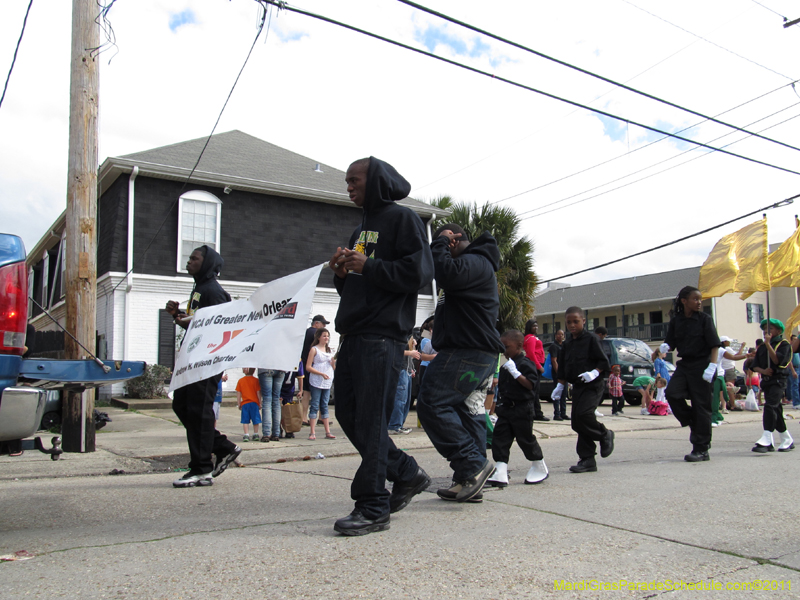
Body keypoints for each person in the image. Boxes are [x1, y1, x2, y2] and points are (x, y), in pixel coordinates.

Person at [328, 157, 434, 536]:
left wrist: (368, 266)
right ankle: (406, 472)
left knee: (372, 420)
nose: (348, 187)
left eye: (354, 180)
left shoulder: (402, 219)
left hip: (382, 337)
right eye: (346, 181)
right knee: (349, 415)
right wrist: (343, 274)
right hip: (353, 335)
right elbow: (358, 284)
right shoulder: (361, 229)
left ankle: (373, 506)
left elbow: (419, 273)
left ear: (375, 181)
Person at [417, 223, 504, 503]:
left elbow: (443, 271)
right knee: (466, 413)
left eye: (443, 245)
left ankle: (473, 466)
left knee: (431, 403)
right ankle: (469, 480)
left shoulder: (475, 261)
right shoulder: (471, 265)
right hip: (474, 352)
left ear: (452, 241)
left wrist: (439, 243)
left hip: (467, 351)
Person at [166, 246, 241, 488]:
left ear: (207, 263)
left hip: (206, 363)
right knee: (182, 405)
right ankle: (223, 447)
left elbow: (220, 329)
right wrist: (179, 316)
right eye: (189, 258)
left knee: (198, 410)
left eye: (194, 258)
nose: (189, 261)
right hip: (192, 361)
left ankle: (201, 469)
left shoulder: (213, 292)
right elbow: (199, 327)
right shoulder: (199, 289)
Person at [659, 286, 720, 462]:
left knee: (701, 406)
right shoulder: (676, 321)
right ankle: (693, 421)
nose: (699, 302)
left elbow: (714, 345)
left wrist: (712, 366)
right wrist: (665, 347)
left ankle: (701, 449)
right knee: (672, 393)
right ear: (684, 301)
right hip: (685, 364)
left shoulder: (705, 319)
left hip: (703, 365)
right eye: (695, 299)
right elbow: (671, 342)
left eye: (700, 299)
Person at [552, 306, 614, 473]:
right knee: (577, 422)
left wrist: (594, 372)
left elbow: (603, 362)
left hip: (593, 385)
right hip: (578, 386)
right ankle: (587, 459)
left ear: (584, 321)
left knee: (584, 415)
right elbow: (563, 366)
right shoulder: (567, 344)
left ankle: (604, 434)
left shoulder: (592, 339)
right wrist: (560, 385)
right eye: (569, 322)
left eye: (576, 321)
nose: (572, 325)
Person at [487, 330, 549, 487]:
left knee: (525, 439)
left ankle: (539, 465)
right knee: (500, 438)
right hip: (506, 409)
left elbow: (530, 385)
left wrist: (515, 372)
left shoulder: (526, 364)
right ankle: (500, 469)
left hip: (522, 409)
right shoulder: (505, 366)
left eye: (507, 347)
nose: (504, 350)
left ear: (519, 346)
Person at [751, 318, 794, 452]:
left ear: (779, 331)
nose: (766, 331)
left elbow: (777, 360)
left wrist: (769, 345)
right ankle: (786, 438)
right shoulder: (762, 347)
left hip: (778, 380)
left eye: (770, 329)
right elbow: (755, 365)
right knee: (776, 409)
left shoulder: (784, 344)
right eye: (765, 329)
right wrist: (763, 371)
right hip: (767, 381)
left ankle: (767, 437)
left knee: (770, 406)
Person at [306, 328, 336, 441]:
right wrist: (321, 373)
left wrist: (333, 364)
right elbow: (308, 367)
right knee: (315, 404)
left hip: (327, 381)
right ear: (319, 337)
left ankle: (327, 431)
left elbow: (333, 367)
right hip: (317, 380)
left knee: (324, 404)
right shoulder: (314, 350)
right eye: (324, 336)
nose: (326, 338)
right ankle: (312, 432)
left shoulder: (329, 351)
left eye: (327, 336)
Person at [300, 315, 329, 425]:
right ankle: (321, 417)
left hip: (305, 364)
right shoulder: (315, 333)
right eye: (323, 324)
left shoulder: (306, 332)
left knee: (306, 392)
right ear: (316, 323)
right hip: (315, 367)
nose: (324, 326)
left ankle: (304, 417)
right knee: (320, 391)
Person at [388, 336, 420, 435]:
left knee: (406, 400)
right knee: (400, 399)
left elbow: (410, 356)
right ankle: (394, 425)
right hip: (400, 370)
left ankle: (399, 424)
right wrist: (410, 353)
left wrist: (411, 368)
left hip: (407, 370)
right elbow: (393, 350)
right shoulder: (398, 336)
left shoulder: (408, 336)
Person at [523, 319, 549, 421]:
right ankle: (537, 413)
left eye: (537, 326)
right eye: (534, 326)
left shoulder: (532, 338)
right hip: (535, 365)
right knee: (535, 391)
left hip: (537, 364)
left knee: (535, 390)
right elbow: (531, 353)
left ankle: (535, 412)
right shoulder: (530, 338)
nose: (536, 328)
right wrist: (539, 367)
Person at [258, 367, 285, 442]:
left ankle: (266, 434)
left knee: (267, 400)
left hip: (266, 367)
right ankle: (276, 433)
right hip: (281, 367)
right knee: (276, 399)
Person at [236, 368, 262, 442]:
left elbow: (238, 393)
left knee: (245, 420)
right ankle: (256, 433)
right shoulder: (256, 380)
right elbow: (258, 392)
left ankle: (246, 434)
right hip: (254, 403)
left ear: (246, 370)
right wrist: (260, 402)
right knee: (256, 419)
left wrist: (239, 403)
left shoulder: (241, 381)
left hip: (245, 403)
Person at [279, 363, 304, 439]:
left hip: (289, 390)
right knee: (278, 411)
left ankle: (289, 430)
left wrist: (301, 390)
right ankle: (278, 429)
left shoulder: (297, 361)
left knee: (289, 411)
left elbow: (300, 376)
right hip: (279, 388)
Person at [549, 330, 567, 420]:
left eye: (562, 334)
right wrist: (558, 373)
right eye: (559, 334)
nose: (560, 336)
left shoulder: (564, 345)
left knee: (564, 393)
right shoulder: (554, 346)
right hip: (557, 373)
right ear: (555, 335)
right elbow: (554, 360)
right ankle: (557, 414)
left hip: (565, 372)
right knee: (557, 393)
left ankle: (563, 413)